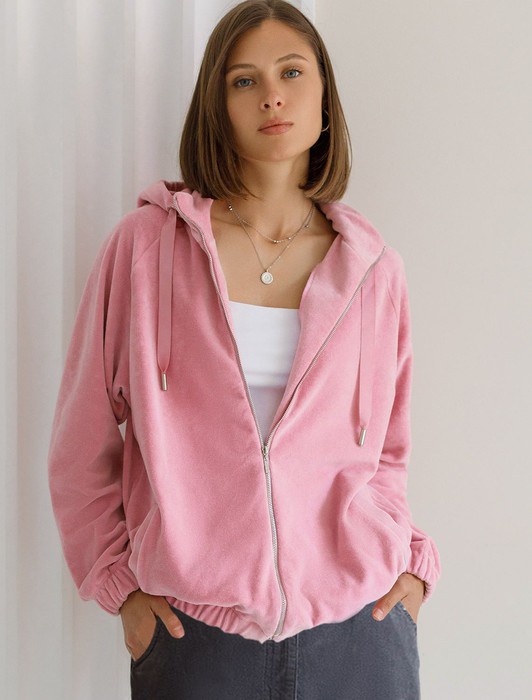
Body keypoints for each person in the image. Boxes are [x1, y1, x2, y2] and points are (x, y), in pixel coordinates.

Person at [48, 1, 441, 697]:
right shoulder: (144, 251)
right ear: (217, 105)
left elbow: (388, 451)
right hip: (194, 634)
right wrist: (117, 584)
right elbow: (82, 440)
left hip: (362, 627)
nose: (272, 96)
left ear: (324, 95)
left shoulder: (373, 269)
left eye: (292, 72)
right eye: (244, 80)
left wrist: (408, 567)